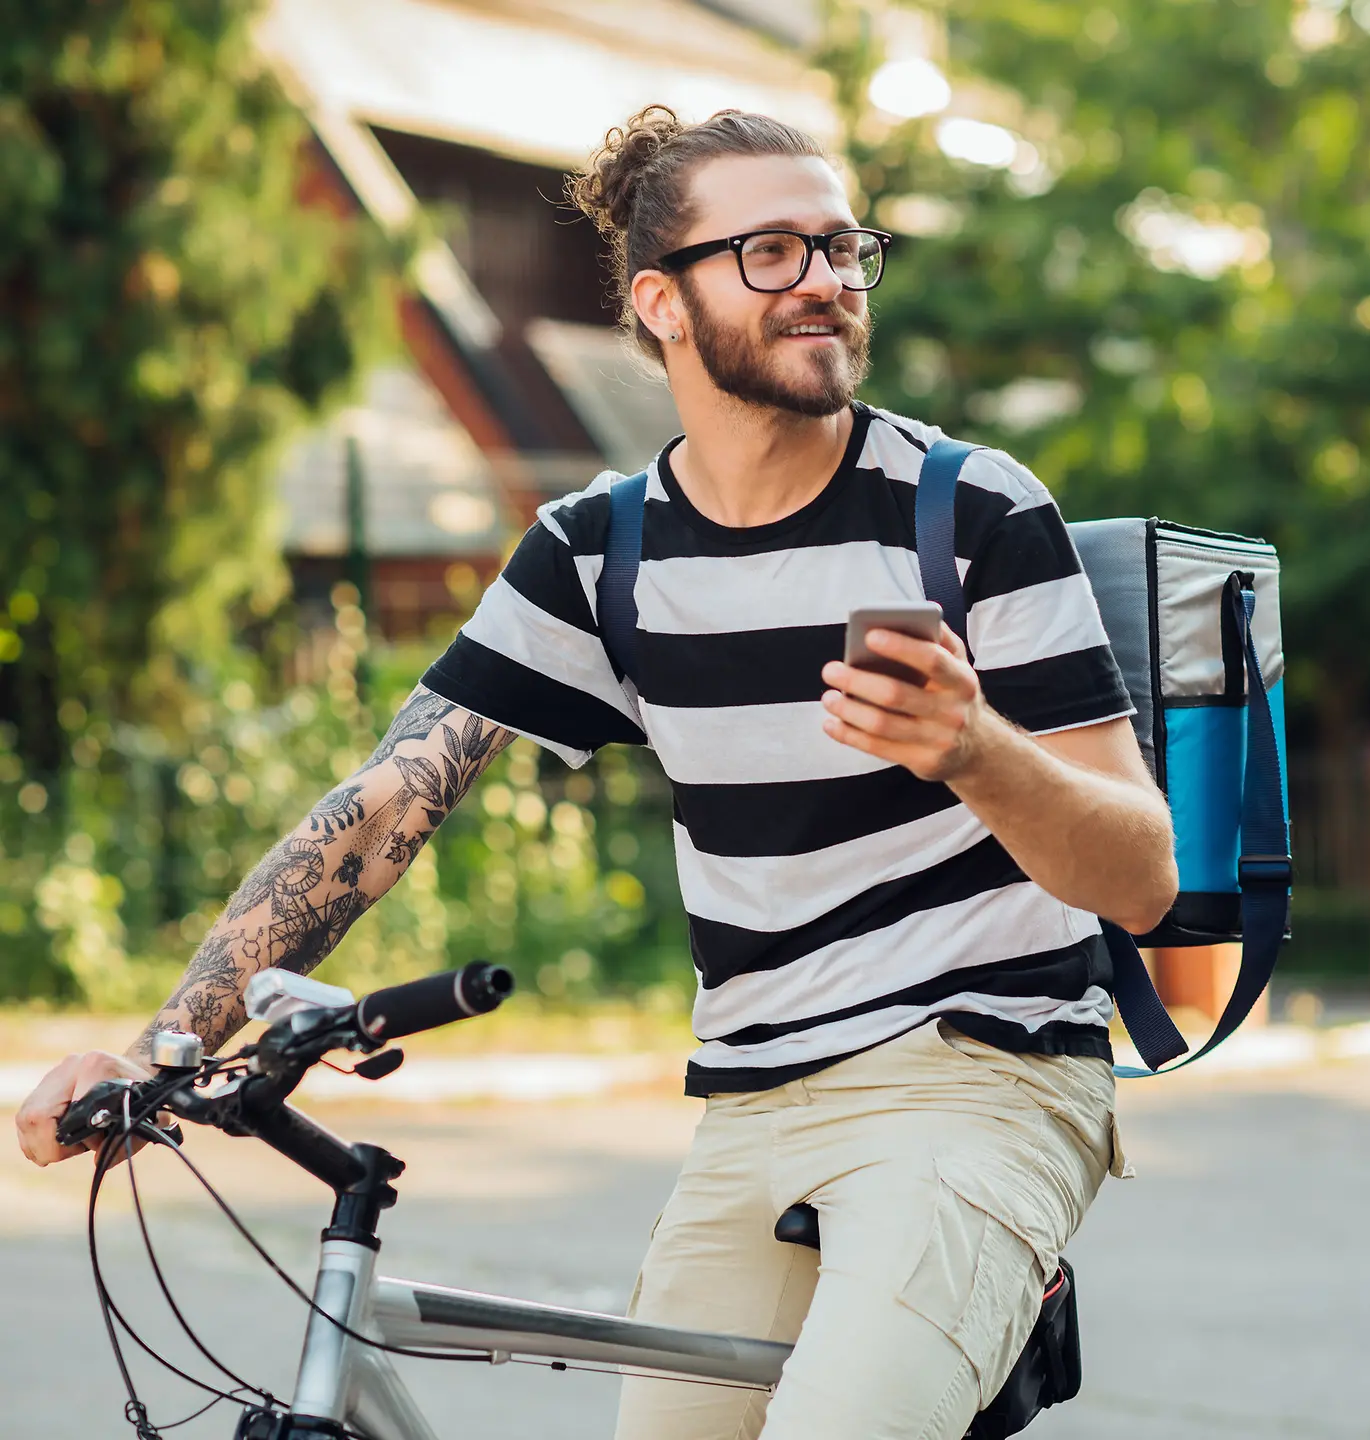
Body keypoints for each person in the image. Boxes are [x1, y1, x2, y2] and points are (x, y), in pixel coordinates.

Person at [16, 105, 1176, 1440]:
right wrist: (164, 1049)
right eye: (773, 251)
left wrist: (975, 750)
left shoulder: (971, 513)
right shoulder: (596, 552)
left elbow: (1139, 880)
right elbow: (387, 804)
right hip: (752, 1102)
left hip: (983, 1078)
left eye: (842, 247)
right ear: (661, 303)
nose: (825, 280)